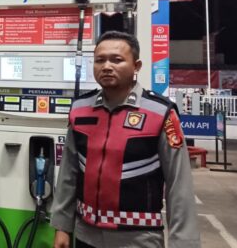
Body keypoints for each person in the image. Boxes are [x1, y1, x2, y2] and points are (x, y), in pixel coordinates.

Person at [51, 31, 200, 248]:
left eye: (117, 60)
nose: (107, 66)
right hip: (85, 236)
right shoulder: (80, 110)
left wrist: (184, 244)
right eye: (100, 60)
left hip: (139, 240)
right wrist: (62, 227)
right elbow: (68, 173)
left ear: (136, 66)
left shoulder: (160, 113)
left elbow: (179, 185)